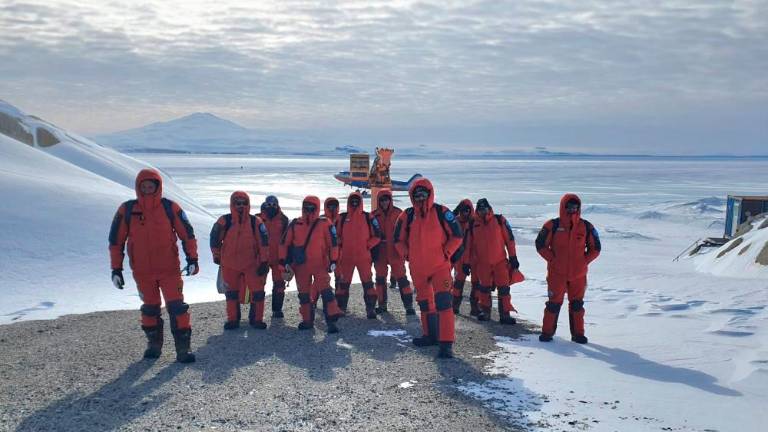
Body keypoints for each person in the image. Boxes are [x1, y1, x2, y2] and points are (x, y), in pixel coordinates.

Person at [109, 168, 198, 363]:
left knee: (178, 308)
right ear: (138, 188)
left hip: (169, 270)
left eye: (151, 186)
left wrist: (192, 259)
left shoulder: (170, 207)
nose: (148, 189)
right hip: (142, 272)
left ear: (158, 187)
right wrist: (116, 269)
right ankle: (153, 345)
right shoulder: (127, 210)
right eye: (144, 187)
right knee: (149, 309)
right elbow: (116, 241)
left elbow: (187, 234)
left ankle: (183, 349)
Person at [394, 178, 463, 358]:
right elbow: (397, 240)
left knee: (444, 303)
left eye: (423, 194)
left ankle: (446, 344)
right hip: (418, 269)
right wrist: (407, 255)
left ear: (430, 194)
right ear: (412, 196)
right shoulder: (407, 215)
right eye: (417, 195)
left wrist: (446, 253)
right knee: (425, 304)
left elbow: (457, 235)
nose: (420, 198)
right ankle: (430, 336)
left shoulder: (442, 212)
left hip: (440, 267)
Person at [535, 193, 601, 344]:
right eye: (569, 207)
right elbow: (540, 244)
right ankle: (547, 333)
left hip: (578, 274)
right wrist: (553, 259)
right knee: (553, 304)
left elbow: (596, 248)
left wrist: (583, 261)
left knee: (577, 305)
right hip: (557, 273)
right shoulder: (552, 225)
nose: (572, 210)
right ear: (563, 207)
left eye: (575, 207)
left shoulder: (586, 226)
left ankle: (578, 335)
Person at [280, 196, 343, 333]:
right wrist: (283, 261)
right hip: (301, 266)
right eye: (306, 207)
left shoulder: (324, 223)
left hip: (320, 264)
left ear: (317, 208)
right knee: (304, 295)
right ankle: (307, 320)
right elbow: (284, 244)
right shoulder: (295, 224)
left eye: (311, 208)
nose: (308, 210)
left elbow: (333, 244)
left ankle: (331, 321)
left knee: (326, 293)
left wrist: (333, 260)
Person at [210, 191, 270, 330]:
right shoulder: (224, 220)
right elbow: (214, 239)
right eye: (238, 203)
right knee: (231, 293)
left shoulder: (255, 222)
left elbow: (264, 243)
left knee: (258, 293)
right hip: (229, 265)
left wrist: (264, 262)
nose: (241, 206)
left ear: (248, 204)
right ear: (232, 204)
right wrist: (217, 256)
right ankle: (233, 320)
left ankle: (257, 320)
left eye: (244, 203)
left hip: (251, 264)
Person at [466, 198, 519, 324]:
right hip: (482, 263)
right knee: (484, 289)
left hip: (500, 262)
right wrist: (466, 262)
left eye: (485, 209)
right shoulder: (473, 224)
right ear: (477, 211)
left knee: (504, 289)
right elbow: (468, 246)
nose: (483, 212)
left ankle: (505, 315)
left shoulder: (499, 220)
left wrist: (513, 257)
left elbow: (509, 240)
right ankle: (485, 313)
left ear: (489, 209)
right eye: (480, 209)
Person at [335, 191, 382, 318]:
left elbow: (377, 235)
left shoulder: (368, 217)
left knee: (368, 284)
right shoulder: (342, 218)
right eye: (352, 201)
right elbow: (335, 236)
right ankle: (341, 308)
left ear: (360, 202)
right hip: (346, 257)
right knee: (343, 284)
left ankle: (370, 309)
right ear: (349, 202)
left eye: (357, 201)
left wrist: (367, 245)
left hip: (363, 257)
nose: (355, 203)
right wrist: (341, 242)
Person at [371, 189, 415, 315]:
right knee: (380, 279)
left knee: (402, 279)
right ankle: (382, 305)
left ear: (390, 200)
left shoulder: (399, 213)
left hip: (396, 251)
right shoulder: (373, 215)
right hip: (380, 251)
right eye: (382, 200)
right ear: (378, 201)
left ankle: (409, 306)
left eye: (386, 200)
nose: (384, 202)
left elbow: (407, 231)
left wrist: (407, 249)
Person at [259, 195, 290, 318]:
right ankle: (257, 313)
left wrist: (288, 258)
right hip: (262, 258)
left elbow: (288, 239)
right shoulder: (257, 218)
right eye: (269, 204)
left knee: (279, 285)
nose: (271, 206)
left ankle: (277, 310)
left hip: (278, 258)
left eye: (274, 204)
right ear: (265, 204)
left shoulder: (284, 219)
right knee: (258, 285)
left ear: (277, 205)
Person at [450, 199, 476, 315]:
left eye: (467, 210)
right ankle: (454, 306)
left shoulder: (475, 223)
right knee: (458, 283)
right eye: (463, 210)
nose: (465, 213)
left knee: (477, 284)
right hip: (457, 256)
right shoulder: (454, 222)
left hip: (474, 257)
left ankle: (475, 308)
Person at [324, 197, 342, 292]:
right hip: (324, 251)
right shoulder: (321, 219)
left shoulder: (342, 219)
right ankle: (314, 298)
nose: (332, 208)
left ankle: (339, 296)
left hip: (339, 251)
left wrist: (339, 240)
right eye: (330, 206)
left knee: (339, 275)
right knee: (322, 275)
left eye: (334, 206)